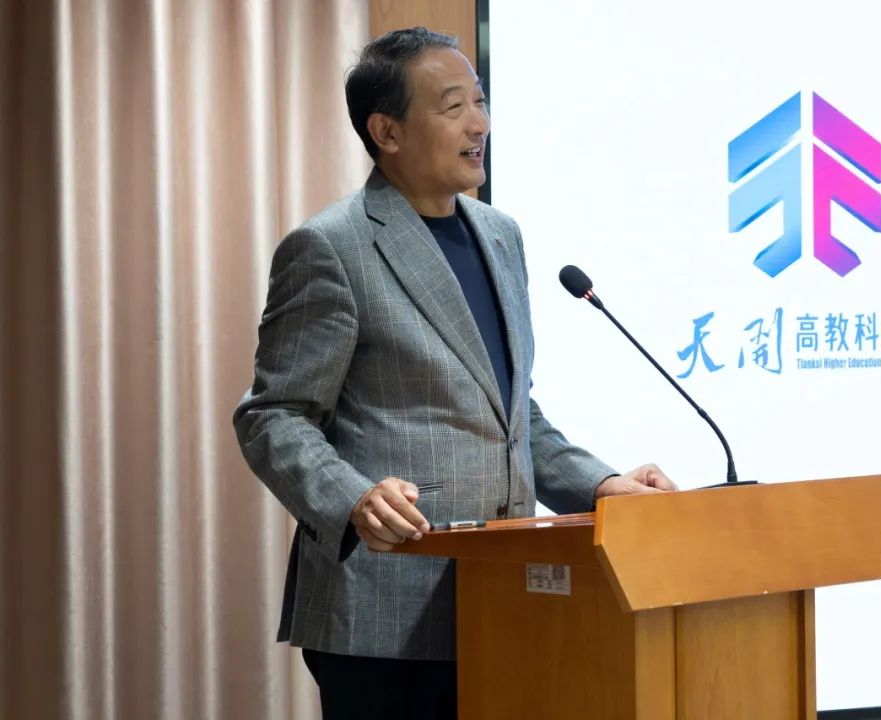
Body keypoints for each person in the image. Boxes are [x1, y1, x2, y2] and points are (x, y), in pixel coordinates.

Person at [233, 27, 676, 720]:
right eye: (452, 107)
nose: (480, 124)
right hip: (387, 610)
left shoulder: (501, 235)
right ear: (387, 131)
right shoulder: (331, 247)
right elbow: (272, 415)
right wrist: (354, 497)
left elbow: (510, 415)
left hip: (506, 598)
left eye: (481, 101)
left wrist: (599, 485)